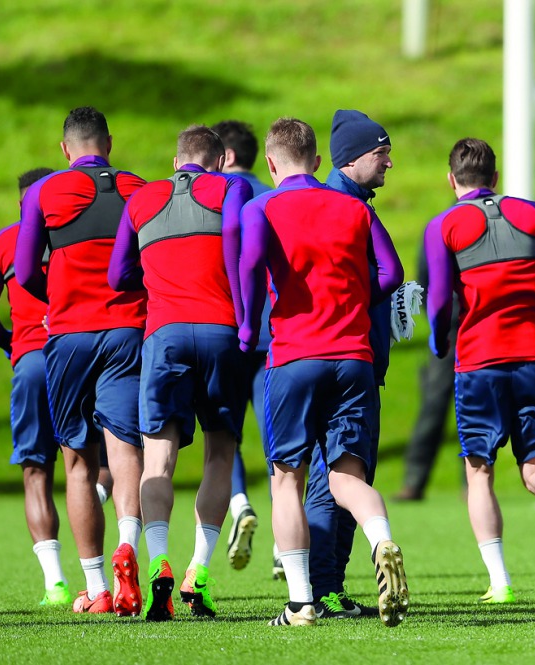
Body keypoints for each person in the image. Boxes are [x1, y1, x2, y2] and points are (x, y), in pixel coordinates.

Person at [238, 117, 408, 628]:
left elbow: (248, 266)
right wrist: (354, 302)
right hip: (354, 357)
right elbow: (392, 272)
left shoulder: (260, 206)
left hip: (293, 356)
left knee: (287, 479)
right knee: (346, 476)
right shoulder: (352, 206)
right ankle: (382, 541)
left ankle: (300, 603)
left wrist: (248, 328)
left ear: (270, 163)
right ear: (317, 161)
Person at [425, 137, 535, 605]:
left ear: (451, 180)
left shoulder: (444, 225)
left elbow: (439, 297)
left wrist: (438, 337)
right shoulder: (529, 212)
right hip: (532, 357)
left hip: (479, 362)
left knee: (479, 473)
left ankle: (500, 581)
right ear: (495, 179)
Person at [108, 125, 254, 620]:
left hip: (164, 334)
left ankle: (160, 563)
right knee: (219, 453)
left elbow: (117, 275)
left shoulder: (143, 200)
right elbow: (242, 252)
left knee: (158, 461)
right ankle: (199, 570)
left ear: (176, 163)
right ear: (219, 161)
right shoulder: (232, 189)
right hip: (221, 333)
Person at [16, 106, 148, 616]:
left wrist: (60, 299)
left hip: (70, 336)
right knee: (125, 448)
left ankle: (95, 588)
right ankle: (129, 550)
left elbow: (26, 271)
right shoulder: (140, 188)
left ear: (65, 150)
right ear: (109, 144)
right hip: (129, 332)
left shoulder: (43, 193)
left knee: (77, 461)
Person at [302, 109, 394, 618]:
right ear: (354, 158)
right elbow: (388, 271)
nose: (389, 162)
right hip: (341, 356)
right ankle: (321, 589)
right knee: (331, 476)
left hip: (346, 355)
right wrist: (367, 303)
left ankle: (330, 587)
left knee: (344, 473)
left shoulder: (353, 202)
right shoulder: (341, 205)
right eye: (381, 154)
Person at [0, 167, 74, 607]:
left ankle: (55, 584)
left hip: (33, 363)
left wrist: (13, 345)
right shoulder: (72, 234)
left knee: (37, 473)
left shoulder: (4, 243)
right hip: (79, 354)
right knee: (99, 462)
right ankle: (105, 575)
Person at [210, 119, 272, 574]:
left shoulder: (215, 197)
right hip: (276, 333)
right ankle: (284, 552)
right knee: (282, 441)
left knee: (223, 433)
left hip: (229, 330)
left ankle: (239, 506)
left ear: (225, 157)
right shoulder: (274, 197)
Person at [393, 246, 457, 502]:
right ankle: (414, 482)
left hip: (480, 327)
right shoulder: (441, 231)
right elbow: (424, 279)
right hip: (448, 330)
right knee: (433, 406)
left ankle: (475, 483)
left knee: (478, 408)